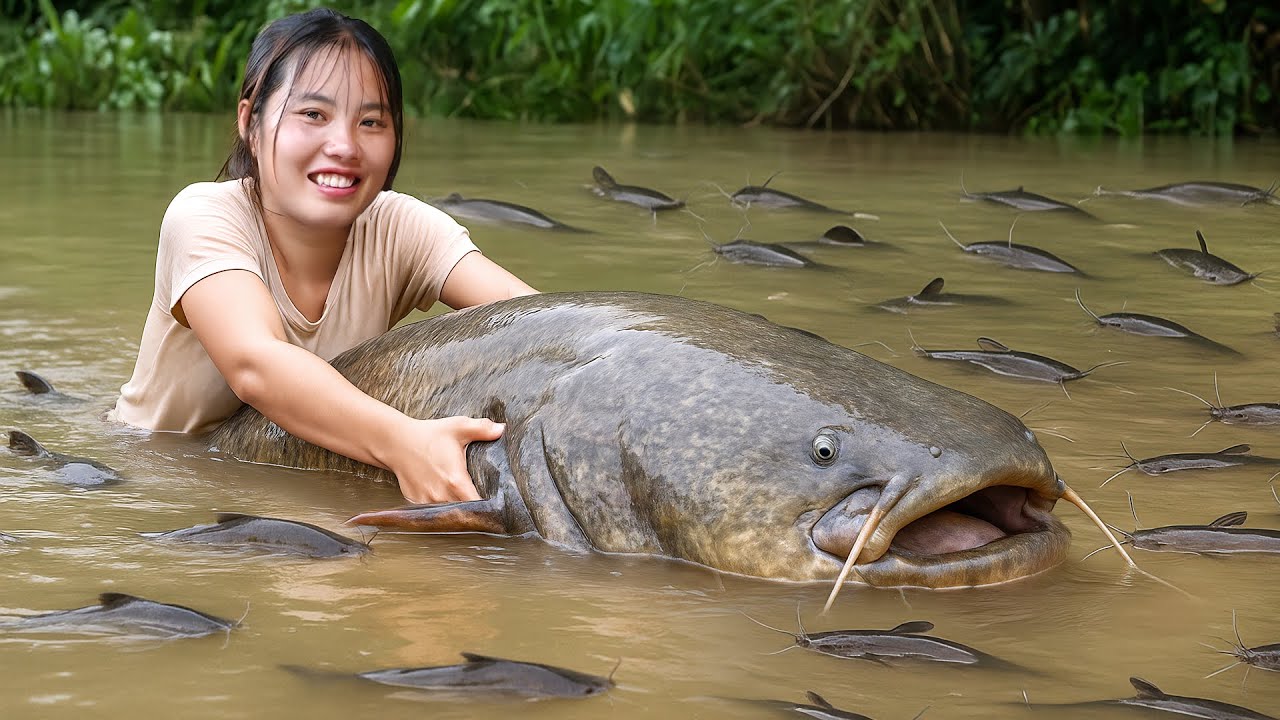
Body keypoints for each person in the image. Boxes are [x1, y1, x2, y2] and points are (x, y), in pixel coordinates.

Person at [110, 8, 537, 504]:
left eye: (371, 121)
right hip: (158, 482)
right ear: (250, 122)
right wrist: (405, 443)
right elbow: (256, 364)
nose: (344, 145)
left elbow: (536, 324)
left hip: (298, 476)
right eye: (313, 114)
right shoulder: (204, 215)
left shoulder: (400, 227)